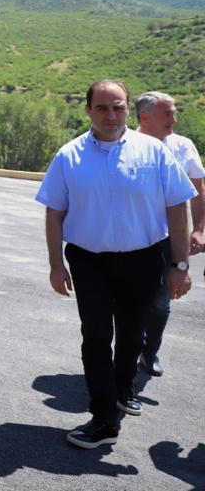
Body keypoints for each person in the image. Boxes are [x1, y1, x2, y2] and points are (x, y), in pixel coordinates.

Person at [36, 79, 195, 449]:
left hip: (143, 259)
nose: (111, 115)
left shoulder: (154, 152)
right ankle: (104, 418)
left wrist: (180, 265)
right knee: (95, 335)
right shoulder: (69, 156)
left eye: (118, 107)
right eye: (103, 108)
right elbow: (54, 212)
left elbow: (177, 206)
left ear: (128, 109)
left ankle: (123, 390)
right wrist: (55, 264)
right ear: (88, 110)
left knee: (132, 334)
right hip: (88, 261)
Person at [134, 91, 204, 377]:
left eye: (174, 113)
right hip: (133, 237)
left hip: (170, 238)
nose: (174, 120)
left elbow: (199, 190)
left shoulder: (183, 147)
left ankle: (149, 351)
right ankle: (129, 347)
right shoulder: (125, 144)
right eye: (167, 114)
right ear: (144, 117)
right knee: (129, 298)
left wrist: (199, 229)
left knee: (162, 301)